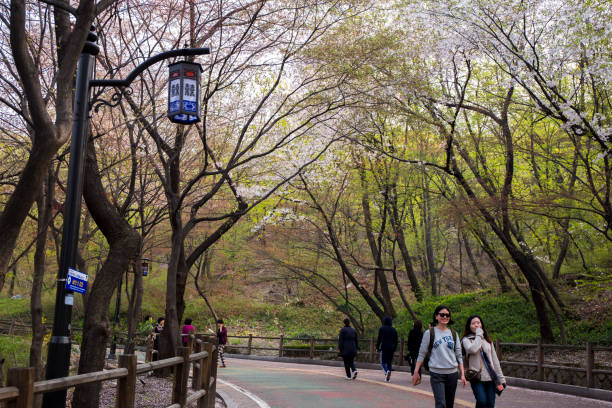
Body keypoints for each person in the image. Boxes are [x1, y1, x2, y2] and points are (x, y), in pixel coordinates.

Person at [413, 305, 466, 408]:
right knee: (441, 404)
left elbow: (459, 355)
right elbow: (422, 353)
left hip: (452, 374)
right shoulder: (429, 333)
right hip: (437, 374)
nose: (445, 317)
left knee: (449, 404)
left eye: (447, 315)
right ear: (436, 316)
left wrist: (462, 374)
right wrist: (416, 371)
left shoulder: (454, 334)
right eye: (442, 314)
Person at [462, 315, 506, 408]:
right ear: (469, 326)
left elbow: (495, 360)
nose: (476, 325)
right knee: (482, 401)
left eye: (478, 323)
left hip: (491, 377)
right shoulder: (466, 340)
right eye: (473, 323)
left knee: (490, 404)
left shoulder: (488, 341)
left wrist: (501, 379)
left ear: (482, 325)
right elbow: (473, 349)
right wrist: (478, 335)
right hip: (476, 376)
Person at [376, 316, 398, 382]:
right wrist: (394, 348)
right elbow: (396, 340)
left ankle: (386, 371)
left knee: (383, 362)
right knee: (389, 362)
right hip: (391, 348)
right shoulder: (394, 329)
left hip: (384, 347)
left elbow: (379, 339)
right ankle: (388, 377)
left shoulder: (382, 329)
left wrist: (377, 347)